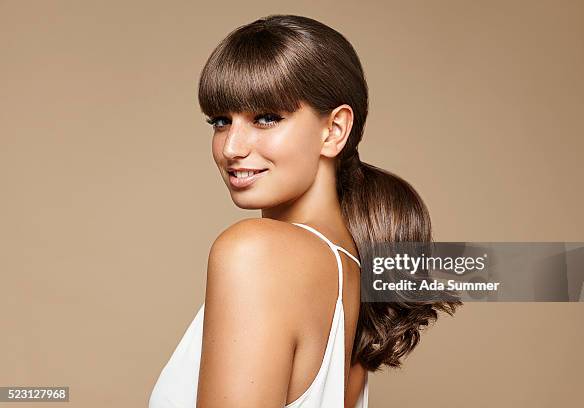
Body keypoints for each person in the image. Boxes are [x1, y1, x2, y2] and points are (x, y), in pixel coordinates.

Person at [149, 14, 461, 408]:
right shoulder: (357, 269)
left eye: (266, 118)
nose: (231, 147)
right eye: (221, 121)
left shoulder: (256, 251)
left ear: (333, 130)